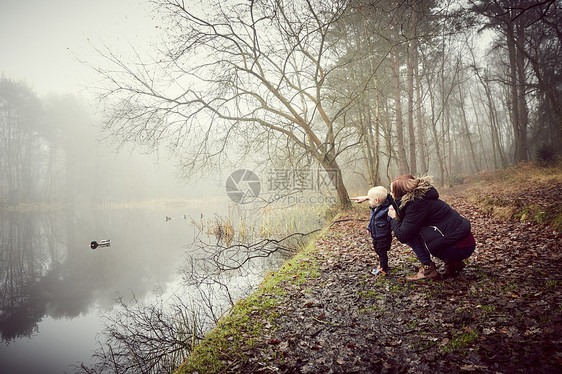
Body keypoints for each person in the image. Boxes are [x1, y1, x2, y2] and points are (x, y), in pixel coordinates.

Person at [388, 175, 476, 281]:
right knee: (414, 230)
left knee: (411, 235)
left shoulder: (416, 205)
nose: (391, 194)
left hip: (459, 247)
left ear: (400, 194)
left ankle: (428, 269)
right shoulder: (422, 197)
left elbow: (403, 235)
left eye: (392, 191)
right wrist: (369, 197)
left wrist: (393, 218)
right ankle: (453, 263)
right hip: (464, 243)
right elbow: (394, 201)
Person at [351, 186, 396, 277]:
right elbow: (372, 220)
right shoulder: (374, 208)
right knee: (378, 250)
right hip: (375, 235)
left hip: (383, 236)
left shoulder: (386, 210)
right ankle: (384, 265)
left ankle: (383, 268)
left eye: (369, 200)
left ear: (376, 200)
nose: (368, 201)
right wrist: (369, 228)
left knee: (381, 252)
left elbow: (391, 221)